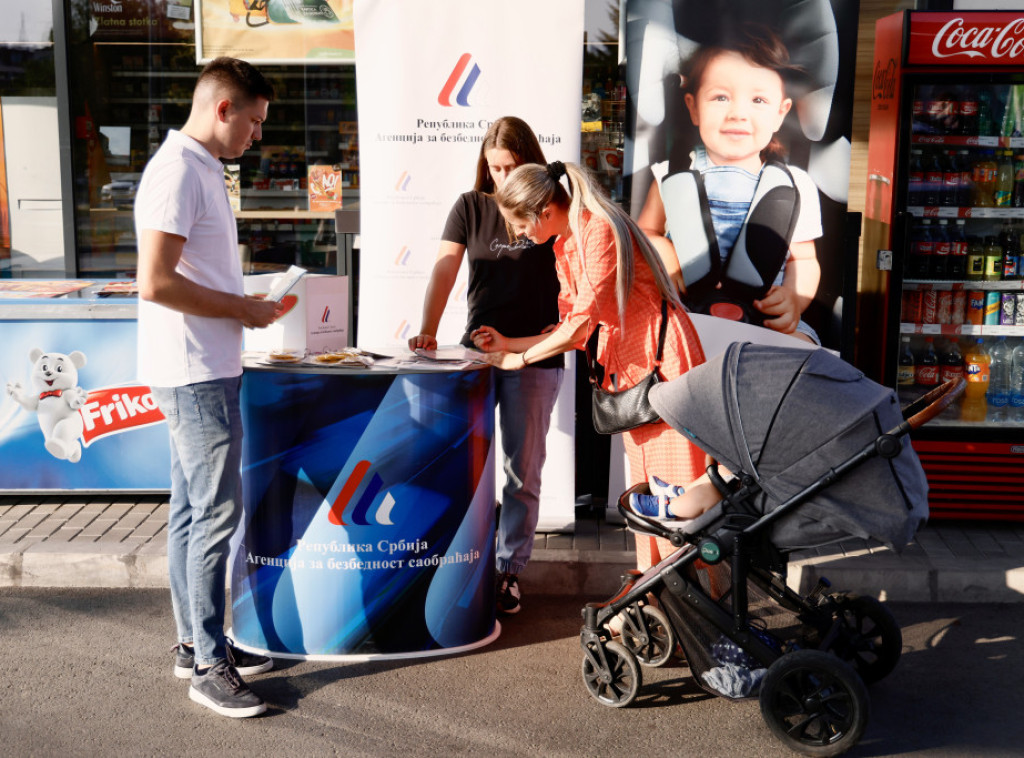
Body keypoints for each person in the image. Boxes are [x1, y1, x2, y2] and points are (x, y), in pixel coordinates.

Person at [135, 57, 281, 719]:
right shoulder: (177, 173)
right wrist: (240, 311)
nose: (256, 136)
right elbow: (156, 281)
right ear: (223, 108)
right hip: (195, 372)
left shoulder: (198, 168)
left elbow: (185, 273)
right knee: (214, 517)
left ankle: (196, 640)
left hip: (200, 366)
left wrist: (237, 302)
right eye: (252, 122)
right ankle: (207, 666)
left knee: (194, 513)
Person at [473, 161, 707, 569]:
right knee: (648, 490)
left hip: (662, 362)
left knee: (675, 489)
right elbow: (572, 327)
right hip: (634, 370)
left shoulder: (597, 229)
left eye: (522, 225)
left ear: (544, 211)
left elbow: (580, 325)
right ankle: (654, 597)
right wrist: (509, 344)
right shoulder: (566, 242)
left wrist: (519, 358)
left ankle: (695, 604)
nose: (521, 235)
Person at [408, 117, 562, 615]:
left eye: (511, 167)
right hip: (476, 354)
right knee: (461, 464)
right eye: (494, 167)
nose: (501, 178)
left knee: (523, 472)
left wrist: (520, 347)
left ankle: (509, 572)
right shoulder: (471, 206)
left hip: (535, 356)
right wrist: (428, 329)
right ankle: (460, 559)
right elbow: (445, 270)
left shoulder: (551, 209)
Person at [637, 24, 822, 343]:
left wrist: (793, 298)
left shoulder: (795, 185)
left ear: (781, 113)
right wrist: (666, 255)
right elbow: (646, 233)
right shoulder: (669, 175)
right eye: (721, 97)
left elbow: (804, 259)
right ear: (693, 107)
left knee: (803, 349)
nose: (738, 113)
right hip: (686, 310)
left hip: (762, 315)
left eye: (758, 100)